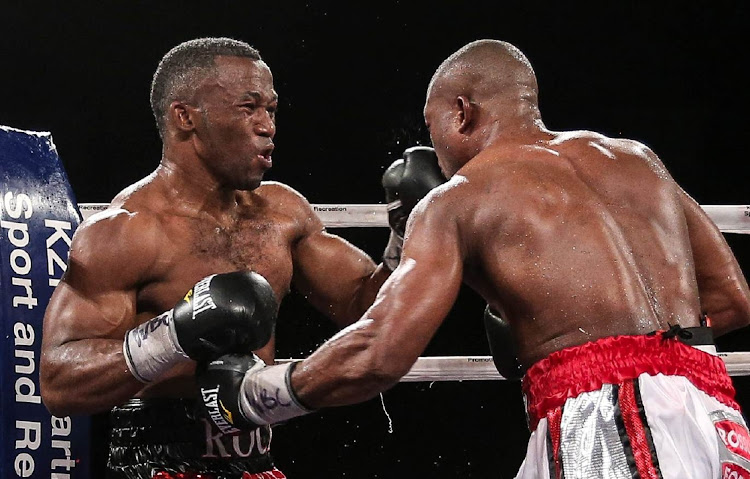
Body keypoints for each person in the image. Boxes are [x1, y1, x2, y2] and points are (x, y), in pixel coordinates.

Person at [201, 39, 750, 478]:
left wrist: (255, 396)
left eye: (432, 125)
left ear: (461, 113)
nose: (433, 146)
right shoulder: (638, 159)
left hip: (608, 417)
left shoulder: (461, 196)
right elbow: (731, 301)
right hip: (710, 406)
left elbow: (379, 352)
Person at [39, 37, 443, 479]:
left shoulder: (283, 214)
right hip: (156, 460)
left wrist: (408, 230)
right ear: (185, 117)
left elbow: (367, 304)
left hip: (258, 457)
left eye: (270, 109)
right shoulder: (125, 231)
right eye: (249, 107)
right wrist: (172, 335)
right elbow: (59, 382)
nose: (267, 126)